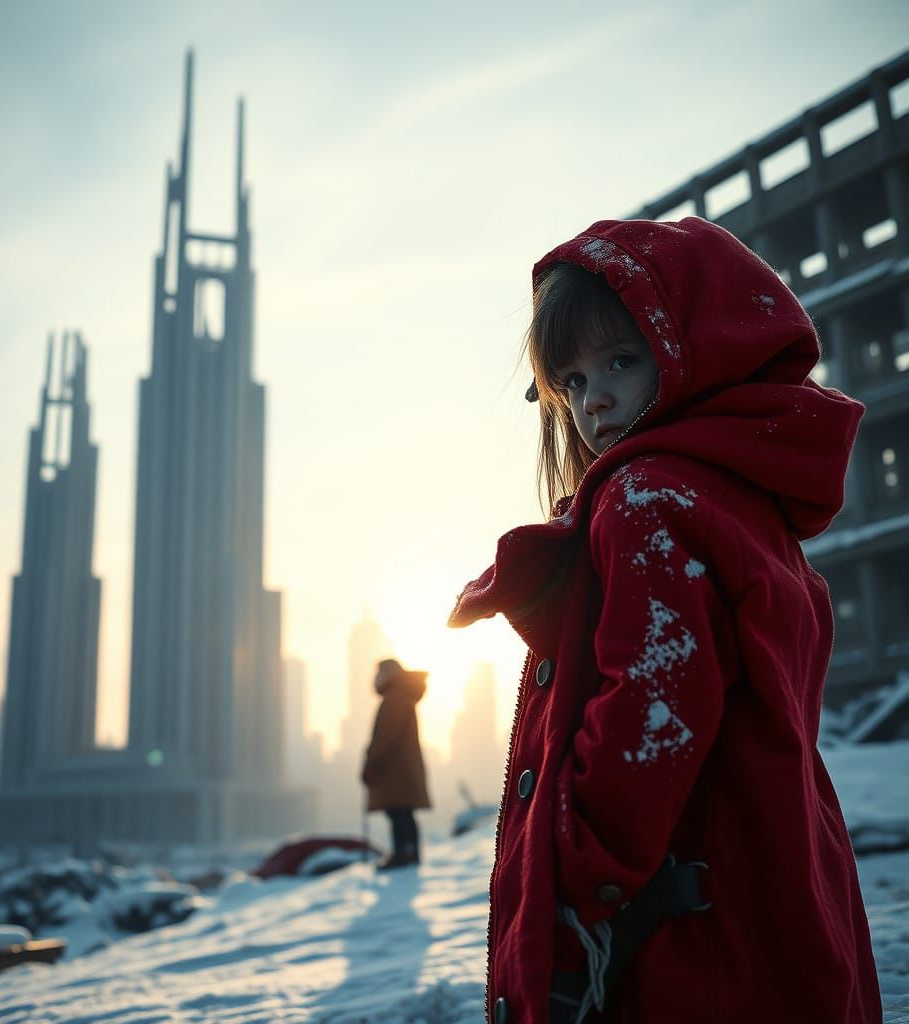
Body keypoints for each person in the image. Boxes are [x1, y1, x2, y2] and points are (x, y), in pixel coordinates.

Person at [448, 218, 882, 1023]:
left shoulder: (650, 501)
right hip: (773, 885)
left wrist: (574, 885)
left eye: (620, 360)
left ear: (694, 354)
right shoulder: (740, 501)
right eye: (571, 382)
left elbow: (650, 715)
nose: (594, 400)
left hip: (686, 930)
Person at [361, 658, 431, 869]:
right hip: (402, 767)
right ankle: (409, 852)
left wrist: (371, 762)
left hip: (395, 769)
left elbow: (385, 735)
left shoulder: (395, 698)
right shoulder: (403, 696)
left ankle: (404, 853)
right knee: (403, 811)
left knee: (398, 811)